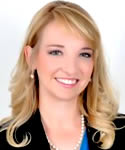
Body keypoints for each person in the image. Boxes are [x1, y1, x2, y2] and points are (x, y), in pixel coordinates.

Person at [0, 0, 125, 150]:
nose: (71, 69)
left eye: (84, 54)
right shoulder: (6, 138)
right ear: (30, 58)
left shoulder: (121, 130)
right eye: (56, 52)